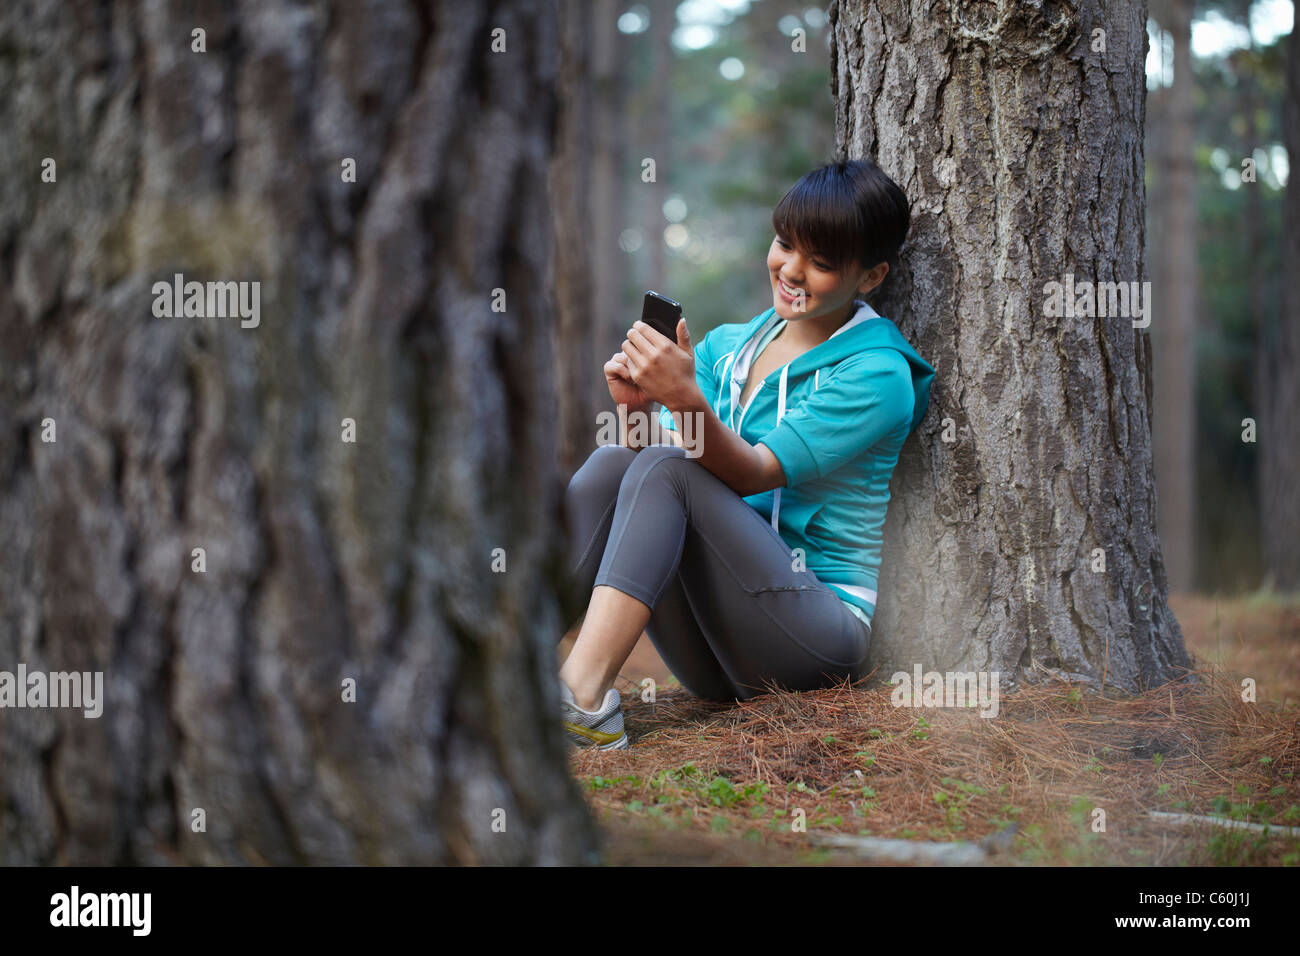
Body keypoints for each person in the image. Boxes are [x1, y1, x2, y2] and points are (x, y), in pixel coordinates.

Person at [558, 158, 935, 749]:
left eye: (824, 263)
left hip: (813, 638)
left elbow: (751, 473)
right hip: (719, 647)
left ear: (870, 277)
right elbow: (645, 468)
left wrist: (682, 398)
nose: (792, 270)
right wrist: (637, 409)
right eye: (786, 244)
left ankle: (582, 702)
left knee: (667, 471)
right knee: (615, 460)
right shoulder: (728, 347)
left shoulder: (876, 373)